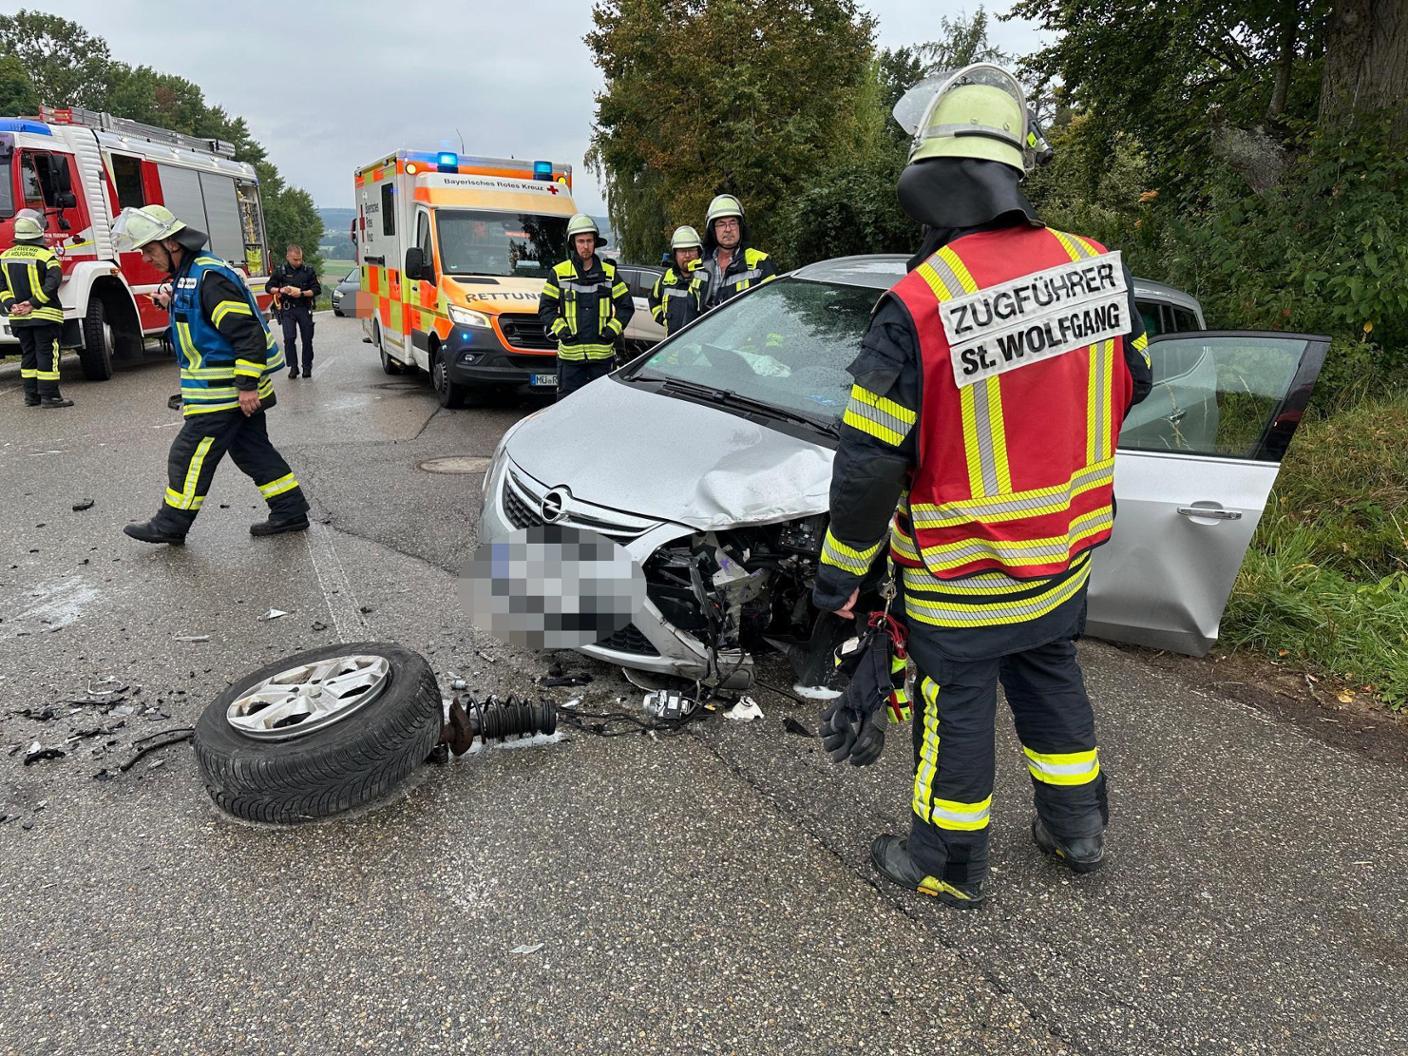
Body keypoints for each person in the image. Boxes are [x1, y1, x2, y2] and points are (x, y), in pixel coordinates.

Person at [813, 64, 1153, 909]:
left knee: (955, 707)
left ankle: (947, 861)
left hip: (963, 575)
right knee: (1050, 679)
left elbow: (869, 464)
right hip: (1063, 560)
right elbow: (1135, 381)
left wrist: (840, 575)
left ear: (932, 180)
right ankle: (1078, 830)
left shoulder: (922, 303)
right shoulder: (1096, 269)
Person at [111, 205, 310, 546]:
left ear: (172, 244)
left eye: (147, 249)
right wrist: (168, 302)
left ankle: (170, 524)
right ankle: (290, 511)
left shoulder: (209, 276)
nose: (144, 257)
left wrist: (246, 387)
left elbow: (246, 333)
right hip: (227, 390)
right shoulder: (193, 274)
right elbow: (203, 316)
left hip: (225, 393)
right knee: (252, 451)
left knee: (188, 455)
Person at [537, 213, 634, 400]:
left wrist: (610, 333)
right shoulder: (558, 273)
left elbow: (626, 307)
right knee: (566, 410)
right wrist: (562, 331)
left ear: (595, 243)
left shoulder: (610, 273)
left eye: (589, 241)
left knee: (600, 408)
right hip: (570, 361)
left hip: (601, 359)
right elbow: (545, 309)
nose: (586, 246)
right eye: (580, 241)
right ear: (572, 243)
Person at [0, 209, 72, 408]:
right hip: (45, 316)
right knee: (47, 354)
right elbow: (52, 283)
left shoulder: (5, 257)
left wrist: (12, 305)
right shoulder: (46, 256)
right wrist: (32, 303)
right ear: (39, 232)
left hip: (18, 318)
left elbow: (2, 288)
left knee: (28, 354)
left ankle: (31, 396)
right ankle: (51, 397)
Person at [697, 194, 776, 311]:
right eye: (721, 224)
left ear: (740, 226)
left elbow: (773, 306)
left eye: (733, 222)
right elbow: (690, 314)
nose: (728, 229)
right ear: (713, 230)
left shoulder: (760, 263)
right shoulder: (699, 267)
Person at [268, 243, 321, 379]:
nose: (298, 262)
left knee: (307, 339)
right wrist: (280, 290)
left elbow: (316, 289)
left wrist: (302, 293)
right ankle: (293, 367)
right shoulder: (281, 271)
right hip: (287, 309)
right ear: (288, 257)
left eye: (300, 259)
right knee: (289, 338)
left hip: (303, 307)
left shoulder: (308, 271)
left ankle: (307, 367)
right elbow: (268, 287)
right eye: (295, 259)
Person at [648, 226, 705, 335]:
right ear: (675, 254)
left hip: (700, 345)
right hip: (672, 345)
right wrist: (664, 319)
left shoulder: (707, 277)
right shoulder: (666, 278)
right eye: (682, 251)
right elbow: (653, 300)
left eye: (691, 250)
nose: (687, 255)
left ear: (699, 252)